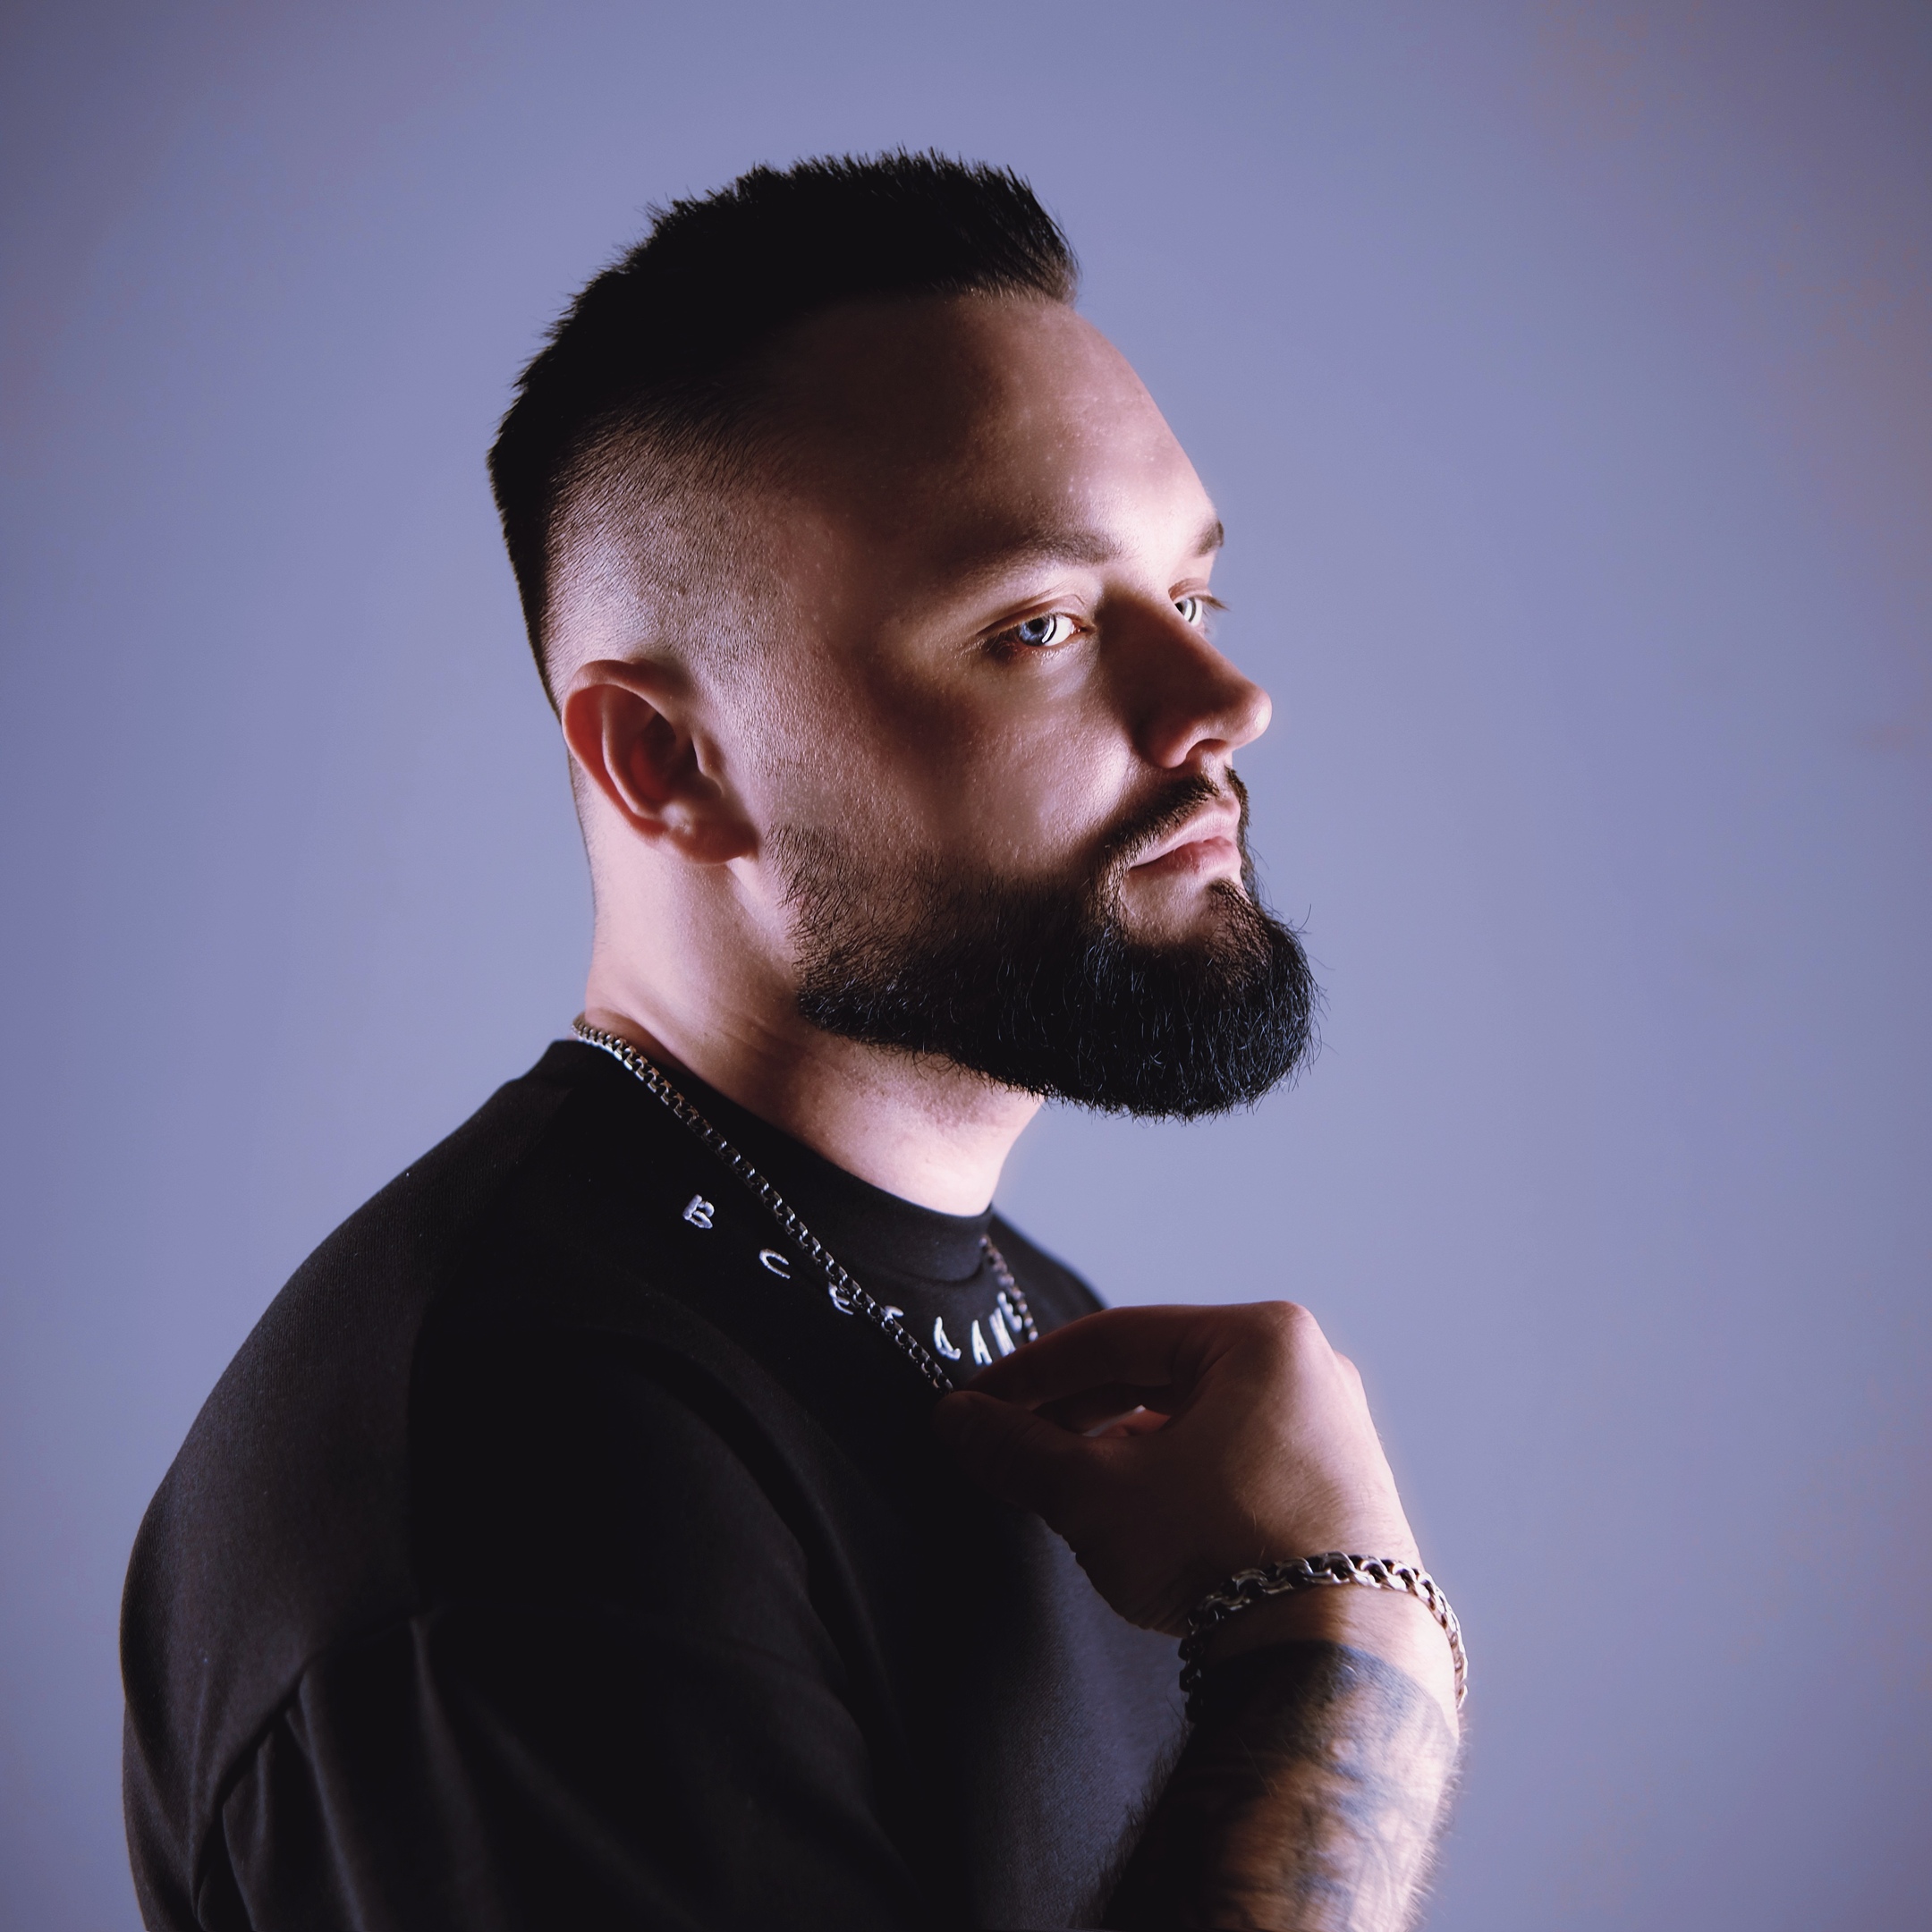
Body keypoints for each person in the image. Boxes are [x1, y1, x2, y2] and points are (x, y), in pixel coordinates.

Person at [121, 153, 1462, 1932]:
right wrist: (1336, 1651)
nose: (1226, 701)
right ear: (668, 763)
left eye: (1192, 600)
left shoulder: (1061, 1342)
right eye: (1042, 626)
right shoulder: (516, 1469)